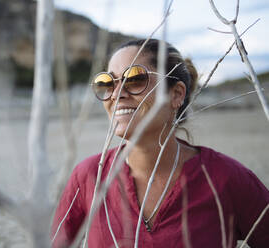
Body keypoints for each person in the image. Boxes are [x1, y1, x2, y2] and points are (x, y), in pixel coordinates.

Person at [51, 39, 269, 248]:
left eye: (135, 78)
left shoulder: (224, 178)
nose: (116, 94)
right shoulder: (89, 177)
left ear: (176, 94)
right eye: (106, 83)